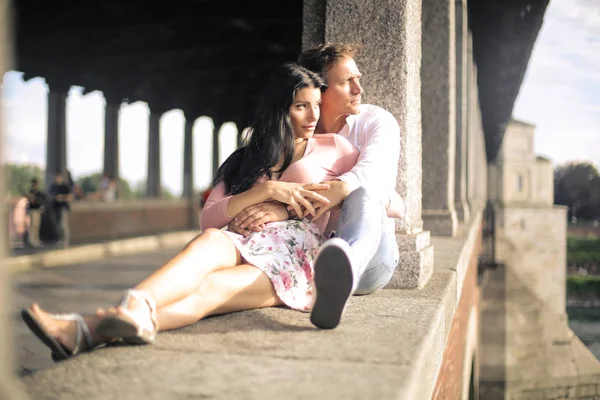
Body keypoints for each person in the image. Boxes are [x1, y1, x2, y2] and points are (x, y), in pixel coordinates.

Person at [21, 63, 402, 360]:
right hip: (237, 238)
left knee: (208, 293)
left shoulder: (336, 148)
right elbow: (209, 216)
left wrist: (295, 206)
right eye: (301, 106)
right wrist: (265, 190)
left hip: (292, 258)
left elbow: (385, 197)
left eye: (316, 105)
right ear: (278, 108)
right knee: (208, 239)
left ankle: (87, 329)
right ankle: (130, 310)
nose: (312, 115)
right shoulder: (245, 159)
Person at [228, 43, 406, 329]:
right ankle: (325, 279)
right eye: (347, 82)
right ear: (319, 90)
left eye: (357, 79)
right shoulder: (293, 136)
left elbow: (376, 182)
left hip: (373, 258)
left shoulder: (376, 122)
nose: (359, 89)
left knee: (365, 191)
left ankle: (344, 270)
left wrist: (286, 207)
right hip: (305, 255)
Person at [48, 171, 73, 248]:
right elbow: (49, 196)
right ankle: (60, 239)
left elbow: (70, 198)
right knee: (57, 224)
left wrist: (61, 197)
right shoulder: (53, 186)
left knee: (63, 224)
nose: (57, 179)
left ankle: (66, 241)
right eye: (56, 177)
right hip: (55, 208)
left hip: (63, 207)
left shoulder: (65, 187)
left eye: (59, 177)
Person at [25, 178, 47, 248]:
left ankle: (36, 240)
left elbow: (40, 201)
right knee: (33, 226)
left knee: (37, 226)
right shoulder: (31, 192)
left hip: (38, 210)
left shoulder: (38, 193)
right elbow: (31, 201)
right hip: (32, 210)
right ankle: (32, 240)